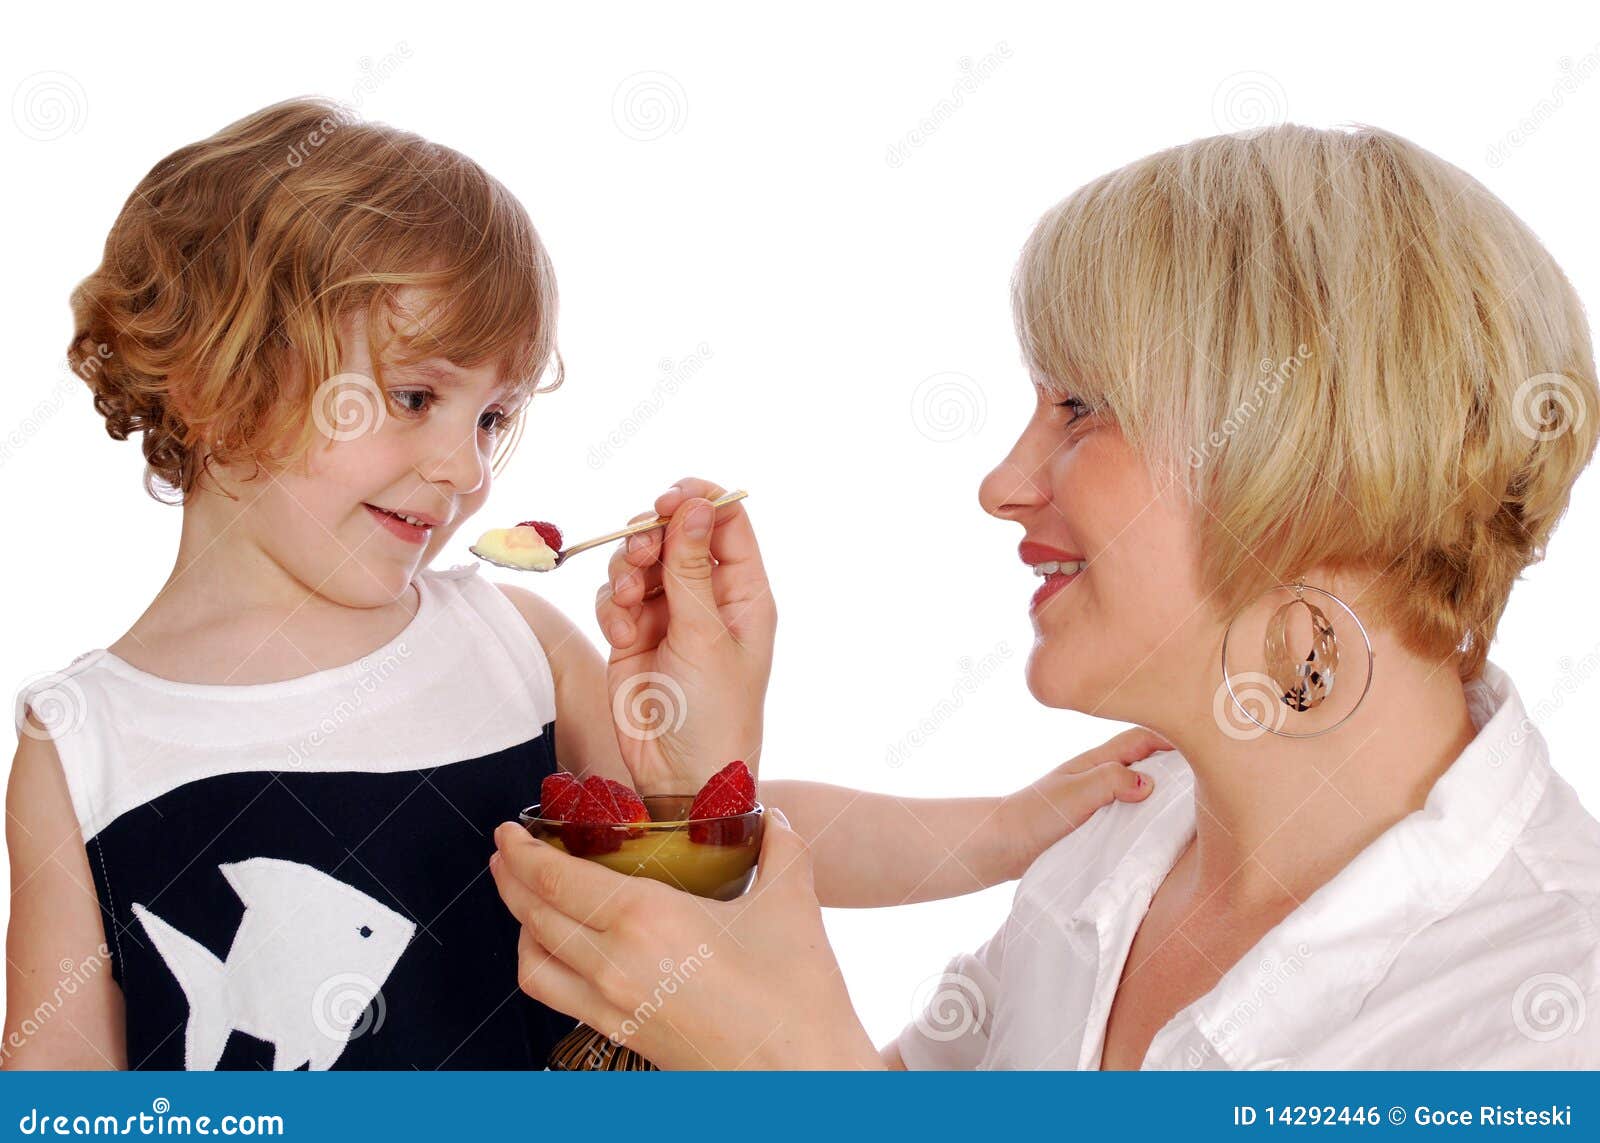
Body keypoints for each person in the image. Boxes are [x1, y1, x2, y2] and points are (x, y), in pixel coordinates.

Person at [4, 97, 1155, 1070]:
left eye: (495, 416)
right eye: (416, 398)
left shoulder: (512, 641)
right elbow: (56, 1094)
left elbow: (729, 839)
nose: (464, 470)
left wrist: (1005, 831)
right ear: (216, 379)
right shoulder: (84, 743)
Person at [491, 123, 1600, 1069]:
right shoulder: (1115, 851)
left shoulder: (1550, 1009)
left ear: (1313, 464)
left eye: (1078, 408)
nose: (1002, 485)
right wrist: (703, 796)